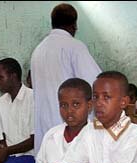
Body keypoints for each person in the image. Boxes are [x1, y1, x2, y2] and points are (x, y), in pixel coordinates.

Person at [52, 71, 137, 163]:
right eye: (96, 97)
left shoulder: (134, 133)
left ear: (123, 102)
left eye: (106, 97)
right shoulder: (90, 130)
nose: (98, 103)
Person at [31, 2, 101, 154]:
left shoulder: (38, 50)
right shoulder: (74, 46)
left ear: (52, 23)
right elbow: (97, 84)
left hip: (45, 130)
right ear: (74, 26)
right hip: (69, 128)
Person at [0, 58, 35, 163]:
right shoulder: (1, 102)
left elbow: (34, 140)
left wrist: (7, 151)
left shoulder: (33, 98)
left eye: (0, 77)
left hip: (30, 156)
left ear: (13, 76)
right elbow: (1, 136)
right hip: (9, 157)